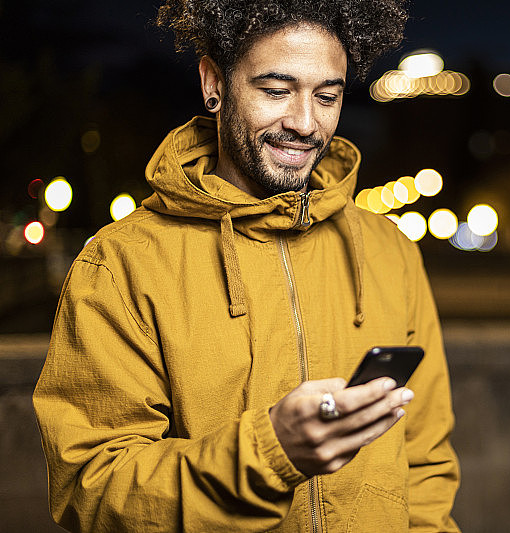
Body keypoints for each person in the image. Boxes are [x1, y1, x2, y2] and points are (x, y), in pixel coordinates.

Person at [32, 1, 460, 531]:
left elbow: (426, 465)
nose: (305, 123)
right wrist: (267, 454)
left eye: (327, 96)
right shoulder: (121, 265)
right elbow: (91, 490)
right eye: (276, 91)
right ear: (214, 83)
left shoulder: (389, 250)